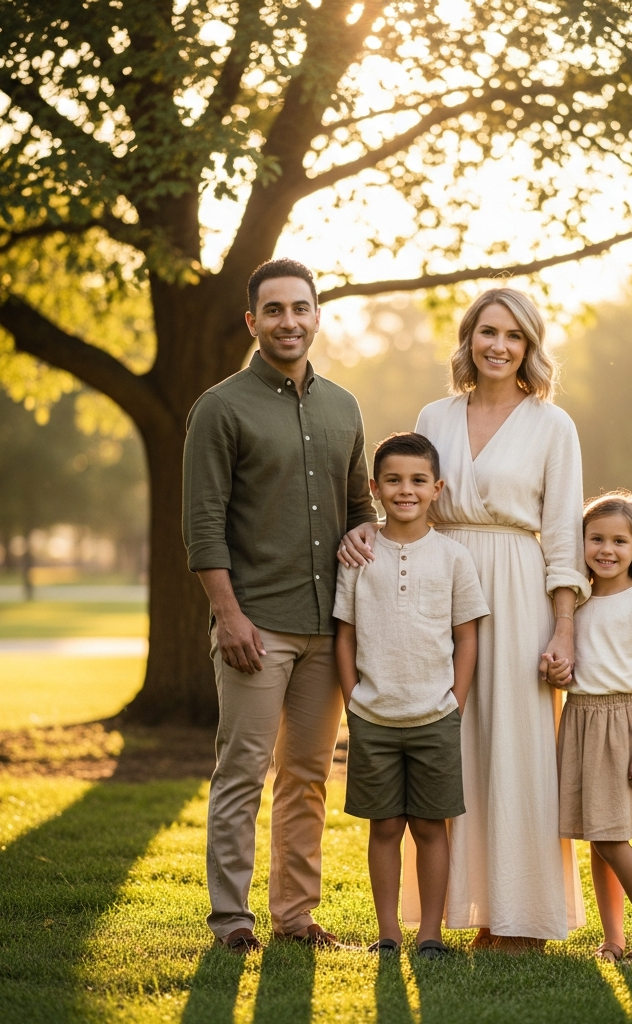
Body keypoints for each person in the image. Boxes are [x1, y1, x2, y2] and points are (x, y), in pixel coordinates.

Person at [340, 288, 589, 952]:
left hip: (516, 590)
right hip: (434, 590)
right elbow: (408, 495)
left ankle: (520, 918)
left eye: (513, 335)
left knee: (515, 749)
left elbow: (563, 534)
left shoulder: (552, 425)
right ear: (468, 338)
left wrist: (563, 627)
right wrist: (365, 531)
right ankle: (456, 913)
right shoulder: (436, 415)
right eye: (488, 331)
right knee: (450, 749)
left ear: (529, 347)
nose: (498, 346)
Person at [182, 257, 377, 953]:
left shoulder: (344, 407)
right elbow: (203, 523)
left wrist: (364, 530)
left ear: (317, 316)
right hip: (257, 626)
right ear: (252, 321)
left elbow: (361, 506)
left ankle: (295, 917)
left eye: (299, 308)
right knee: (241, 772)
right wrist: (229, 615)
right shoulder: (221, 408)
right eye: (274, 310)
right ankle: (231, 919)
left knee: (307, 778)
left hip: (328, 628)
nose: (288, 322)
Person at [333, 432, 489, 959]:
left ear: (436, 488)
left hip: (435, 717)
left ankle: (430, 935)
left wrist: (455, 702)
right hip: (373, 717)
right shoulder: (358, 555)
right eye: (394, 480)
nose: (406, 490)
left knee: (429, 825)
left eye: (418, 480)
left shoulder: (453, 557)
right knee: (384, 826)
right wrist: (353, 699)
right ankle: (388, 934)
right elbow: (344, 636)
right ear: (374, 487)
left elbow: (467, 636)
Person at [550, 491, 632, 963]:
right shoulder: (575, 603)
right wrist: (557, 671)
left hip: (623, 725)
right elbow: (574, 665)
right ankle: (613, 939)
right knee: (598, 837)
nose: (606, 549)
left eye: (619, 541)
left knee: (611, 837)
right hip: (581, 721)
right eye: (596, 539)